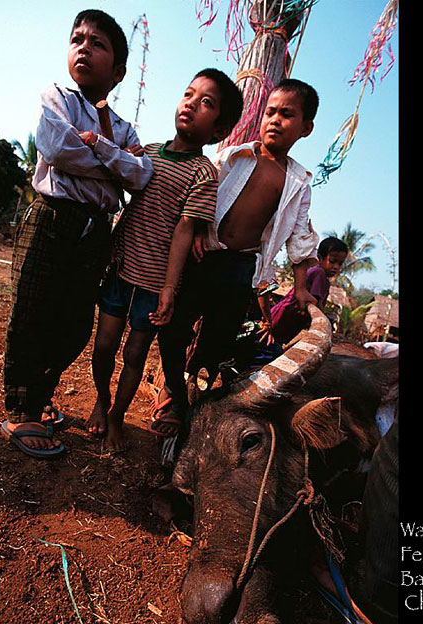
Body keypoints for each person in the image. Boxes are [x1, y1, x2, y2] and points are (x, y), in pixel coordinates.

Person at [0, 9, 154, 459]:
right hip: (53, 217)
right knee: (32, 309)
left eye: (97, 42)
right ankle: (20, 407)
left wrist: (101, 148)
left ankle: (42, 394)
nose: (83, 46)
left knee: (74, 323)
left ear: (119, 70)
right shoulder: (58, 97)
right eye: (77, 38)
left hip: (96, 233)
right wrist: (115, 169)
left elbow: (142, 177)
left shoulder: (123, 128)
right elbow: (56, 147)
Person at [151, 78, 321, 437]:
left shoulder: (298, 182)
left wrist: (303, 288)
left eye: (287, 115)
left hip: (241, 267)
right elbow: (201, 192)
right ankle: (172, 389)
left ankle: (193, 394)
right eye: (270, 112)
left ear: (306, 128)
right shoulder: (234, 156)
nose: (274, 120)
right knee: (174, 328)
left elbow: (300, 237)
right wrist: (197, 230)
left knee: (218, 339)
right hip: (202, 256)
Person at [88, 68, 243, 451]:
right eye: (189, 94)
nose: (191, 103)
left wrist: (169, 288)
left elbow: (185, 229)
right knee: (104, 345)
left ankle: (116, 416)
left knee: (136, 353)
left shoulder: (203, 172)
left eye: (206, 102)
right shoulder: (148, 153)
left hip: (155, 283)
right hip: (121, 268)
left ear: (220, 130)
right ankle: (101, 399)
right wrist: (124, 158)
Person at [258, 236, 348, 349]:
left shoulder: (317, 274)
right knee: (268, 345)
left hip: (284, 316)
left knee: (271, 344)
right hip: (284, 317)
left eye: (340, 264)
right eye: (333, 261)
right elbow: (316, 303)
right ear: (320, 258)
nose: (336, 267)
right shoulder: (319, 274)